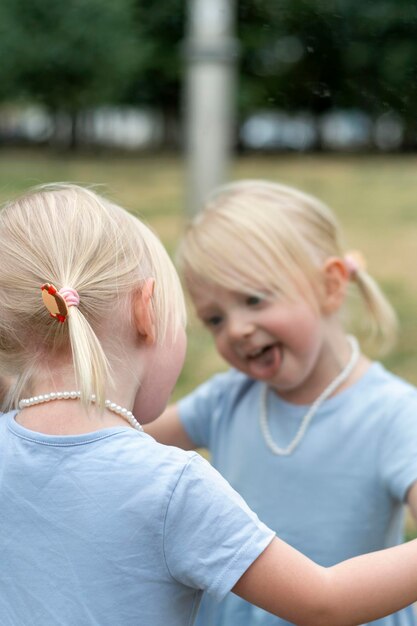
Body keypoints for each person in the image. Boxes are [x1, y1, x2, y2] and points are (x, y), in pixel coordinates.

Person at [146, 179, 417, 626]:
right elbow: (124, 440)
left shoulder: (391, 414)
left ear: (330, 286)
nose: (236, 329)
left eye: (253, 299)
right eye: (215, 318)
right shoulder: (228, 398)